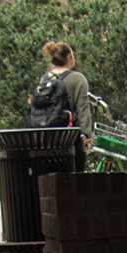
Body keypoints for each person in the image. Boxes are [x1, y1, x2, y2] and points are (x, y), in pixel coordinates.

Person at [40, 41, 93, 170]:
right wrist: (87, 135)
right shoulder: (78, 79)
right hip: (71, 140)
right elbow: (83, 109)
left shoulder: (45, 78)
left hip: (48, 141)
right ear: (69, 57)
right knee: (75, 180)